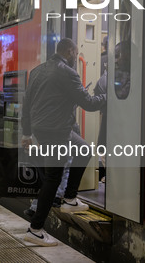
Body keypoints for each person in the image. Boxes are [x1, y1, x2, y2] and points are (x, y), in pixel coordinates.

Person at [21, 38, 106, 247]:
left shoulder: (37, 71)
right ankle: (36, 229)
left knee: (84, 150)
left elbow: (26, 104)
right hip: (56, 131)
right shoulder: (67, 72)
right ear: (69, 51)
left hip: (47, 129)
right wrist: (109, 97)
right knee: (53, 177)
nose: (76, 58)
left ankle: (69, 199)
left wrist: (26, 133)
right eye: (75, 54)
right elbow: (88, 103)